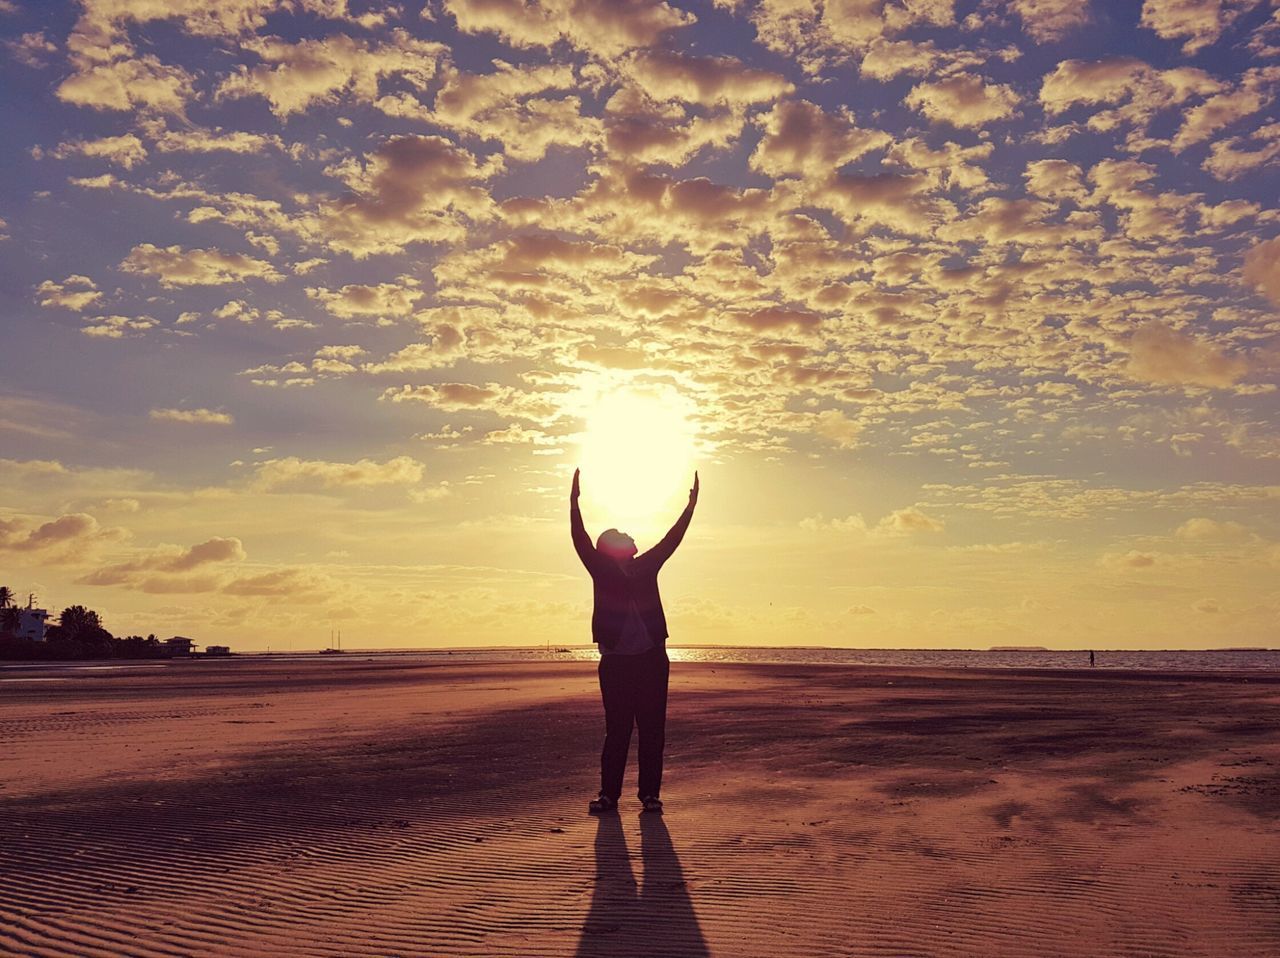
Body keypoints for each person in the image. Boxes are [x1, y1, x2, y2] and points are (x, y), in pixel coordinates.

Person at [570, 467, 698, 815]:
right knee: (618, 731)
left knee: (652, 730)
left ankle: (650, 796)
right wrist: (573, 501)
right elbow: (579, 536)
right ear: (612, 549)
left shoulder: (646, 566)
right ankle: (609, 795)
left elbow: (672, 539)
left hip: (652, 658)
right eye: (623, 536)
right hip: (616, 661)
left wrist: (690, 507)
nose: (631, 537)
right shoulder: (600, 569)